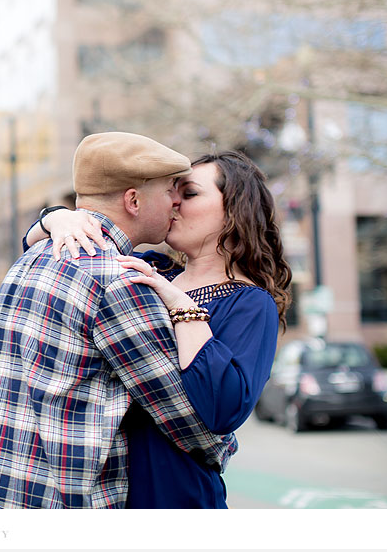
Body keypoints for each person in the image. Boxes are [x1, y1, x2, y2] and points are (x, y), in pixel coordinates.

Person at [0, 132, 236, 509]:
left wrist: (51, 219)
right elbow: (184, 417)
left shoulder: (29, 260)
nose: (176, 201)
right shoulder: (117, 280)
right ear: (134, 200)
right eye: (170, 190)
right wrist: (224, 446)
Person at [29, 149, 292, 508]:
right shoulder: (150, 268)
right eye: (172, 193)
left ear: (234, 210)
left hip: (175, 493)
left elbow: (223, 410)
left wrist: (183, 308)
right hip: (106, 491)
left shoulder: (249, 304)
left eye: (190, 194)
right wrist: (56, 220)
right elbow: (48, 256)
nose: (174, 204)